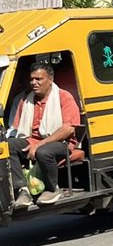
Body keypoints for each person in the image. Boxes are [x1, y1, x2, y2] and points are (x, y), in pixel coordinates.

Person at [6, 61, 82, 209]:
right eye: (32, 79)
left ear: (50, 79)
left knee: (43, 151)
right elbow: (16, 128)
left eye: (38, 79)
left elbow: (68, 129)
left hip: (61, 143)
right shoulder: (25, 100)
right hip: (31, 140)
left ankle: (52, 188)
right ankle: (23, 190)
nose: (34, 82)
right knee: (8, 146)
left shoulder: (63, 97)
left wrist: (39, 144)